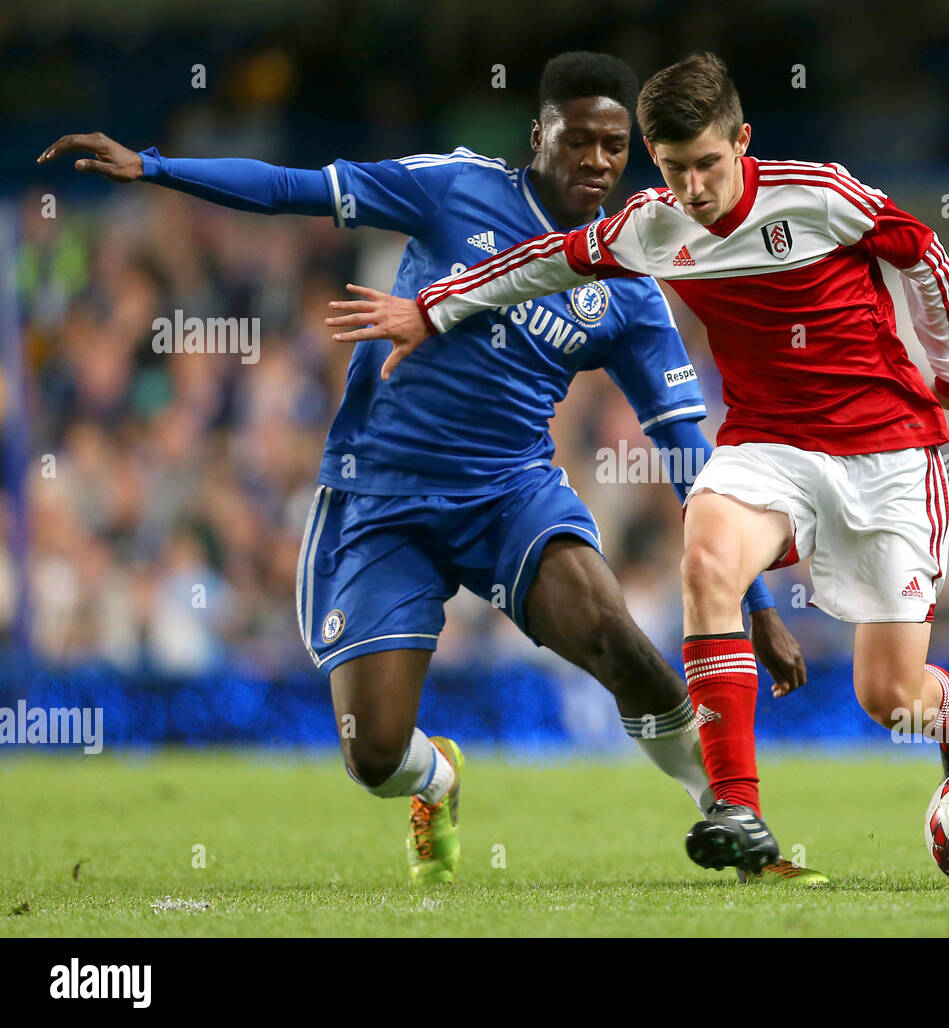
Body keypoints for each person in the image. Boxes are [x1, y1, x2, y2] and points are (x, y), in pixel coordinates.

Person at [39, 51, 825, 885]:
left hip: (508, 496)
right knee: (373, 755)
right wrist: (153, 167)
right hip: (380, 500)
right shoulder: (451, 189)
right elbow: (291, 187)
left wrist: (758, 600)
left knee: (616, 635)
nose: (598, 162)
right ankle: (436, 778)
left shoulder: (628, 280)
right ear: (538, 135)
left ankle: (740, 826)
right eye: (580, 141)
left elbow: (686, 453)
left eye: (615, 146)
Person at [324, 52, 949, 876]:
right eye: (675, 169)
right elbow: (543, 261)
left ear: (742, 142)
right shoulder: (653, 223)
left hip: (885, 449)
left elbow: (918, 246)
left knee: (890, 699)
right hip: (767, 447)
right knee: (706, 555)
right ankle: (738, 809)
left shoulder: (819, 195)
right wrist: (433, 308)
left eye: (709, 164)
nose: (695, 189)